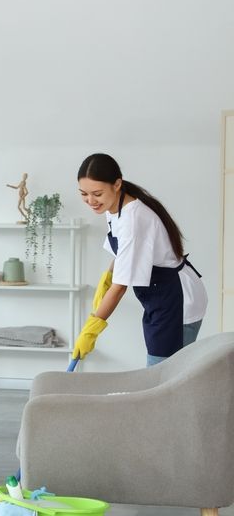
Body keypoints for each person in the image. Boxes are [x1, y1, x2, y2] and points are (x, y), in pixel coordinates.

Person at [74, 153, 207, 367]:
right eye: (84, 194)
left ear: (117, 184)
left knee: (164, 375)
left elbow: (120, 288)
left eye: (97, 193)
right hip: (159, 298)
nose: (91, 201)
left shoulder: (134, 219)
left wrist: (92, 328)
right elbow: (123, 253)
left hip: (177, 299)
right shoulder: (113, 207)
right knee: (160, 373)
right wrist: (107, 277)